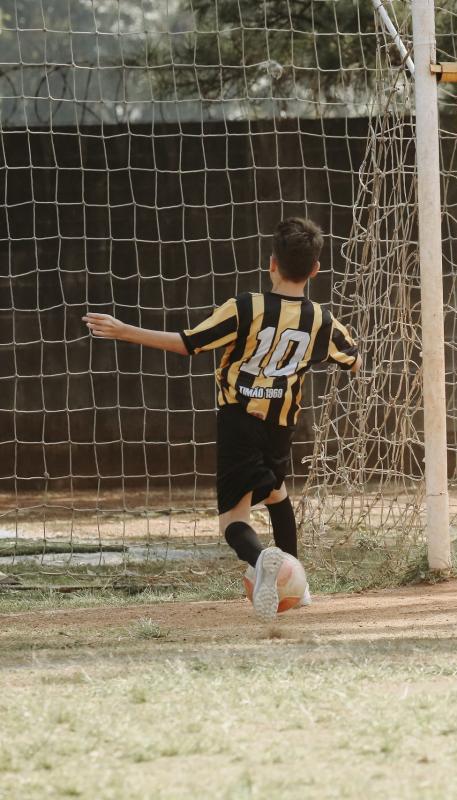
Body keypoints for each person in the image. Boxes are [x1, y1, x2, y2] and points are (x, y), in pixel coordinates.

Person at [83, 217, 359, 620]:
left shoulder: (245, 307)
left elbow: (188, 343)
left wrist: (124, 330)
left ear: (272, 264)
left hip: (239, 420)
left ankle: (265, 562)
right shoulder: (323, 320)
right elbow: (352, 359)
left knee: (232, 521)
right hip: (282, 425)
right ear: (315, 269)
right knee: (276, 493)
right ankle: (297, 586)